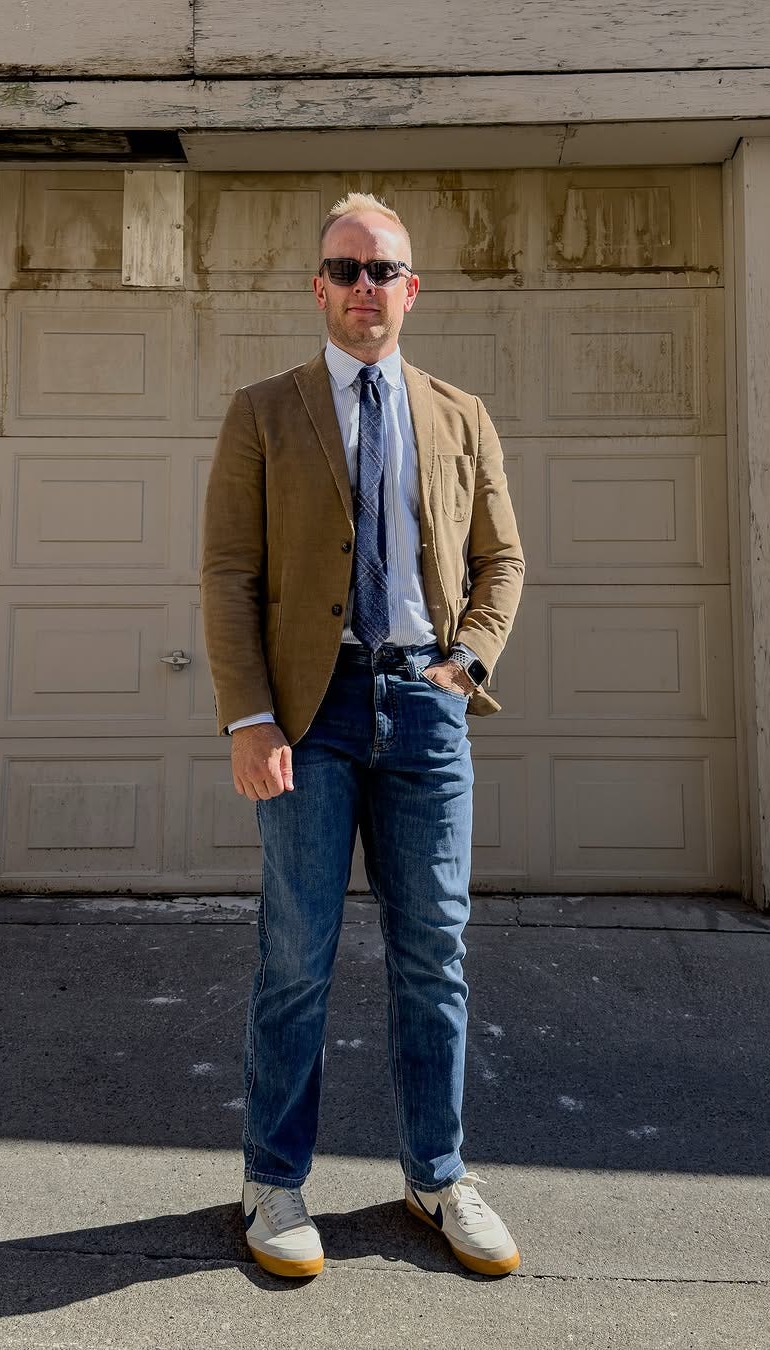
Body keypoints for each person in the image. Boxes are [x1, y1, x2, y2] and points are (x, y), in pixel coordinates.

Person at [201, 192, 525, 1279]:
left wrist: (467, 657)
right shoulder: (264, 410)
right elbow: (231, 573)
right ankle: (274, 1180)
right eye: (343, 270)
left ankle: (437, 1174)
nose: (363, 289)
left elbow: (503, 558)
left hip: (426, 709)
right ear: (317, 286)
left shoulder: (459, 411)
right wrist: (250, 715)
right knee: (297, 954)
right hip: (309, 710)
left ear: (411, 286)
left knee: (435, 950)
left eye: (382, 270)